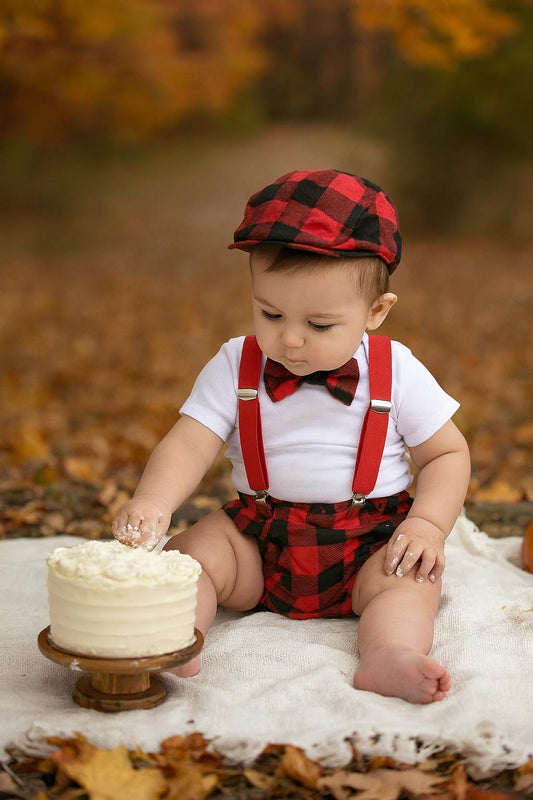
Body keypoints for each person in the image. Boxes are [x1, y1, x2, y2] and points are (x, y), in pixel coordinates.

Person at [113, 169, 470, 704]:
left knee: (407, 582)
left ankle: (387, 655)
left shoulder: (397, 370)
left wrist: (426, 524)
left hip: (370, 539)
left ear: (376, 312)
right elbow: (190, 442)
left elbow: (446, 452)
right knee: (192, 556)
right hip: (259, 537)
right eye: (270, 313)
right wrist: (154, 501)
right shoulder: (237, 362)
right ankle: (174, 638)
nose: (291, 339)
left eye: (320, 325)